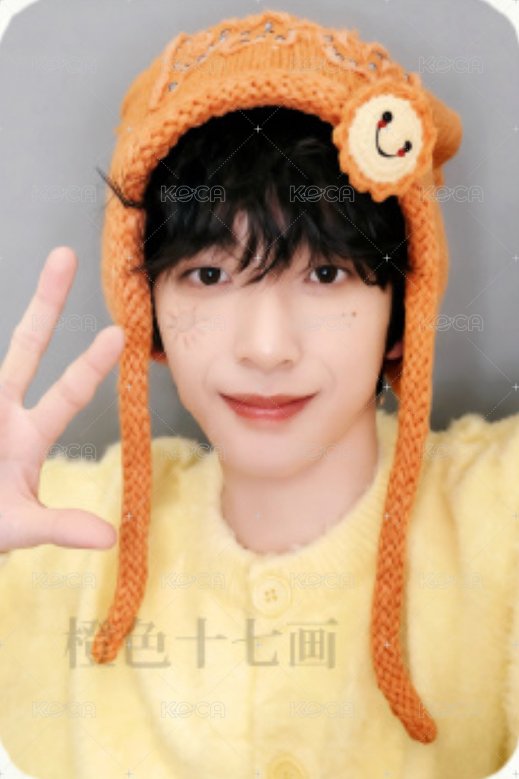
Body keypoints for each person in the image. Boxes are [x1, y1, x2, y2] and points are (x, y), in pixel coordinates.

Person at [0, 9, 518, 779]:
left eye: (325, 273)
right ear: (148, 305)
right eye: (208, 274)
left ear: (401, 306)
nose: (266, 348)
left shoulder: (499, 511)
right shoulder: (43, 527)